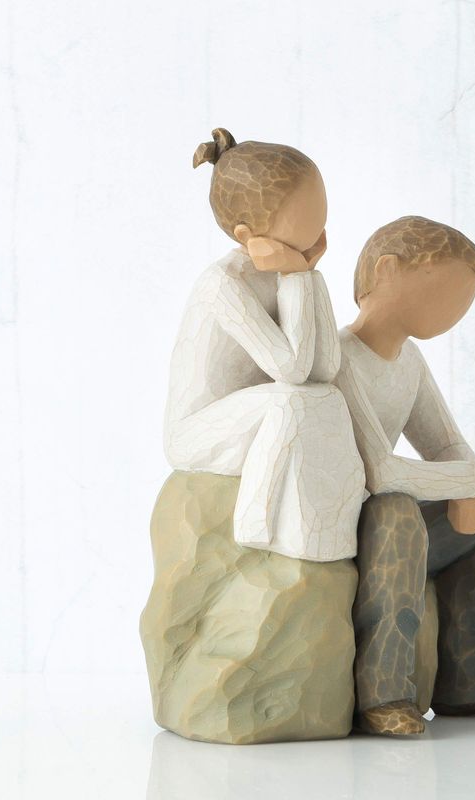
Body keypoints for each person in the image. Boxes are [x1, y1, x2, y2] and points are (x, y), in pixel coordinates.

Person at [334, 216, 475, 736]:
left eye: (464, 300)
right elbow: (377, 471)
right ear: (387, 271)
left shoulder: (409, 361)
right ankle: (384, 694)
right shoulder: (338, 358)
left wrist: (474, 493)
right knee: (397, 513)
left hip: (383, 510)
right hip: (346, 521)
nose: (456, 312)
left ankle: (473, 680)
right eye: (445, 294)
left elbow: (445, 444)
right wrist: (467, 481)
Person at [163, 128, 364, 562]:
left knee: (328, 398)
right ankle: (255, 523)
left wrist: (308, 276)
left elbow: (325, 367)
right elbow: (291, 370)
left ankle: (330, 537)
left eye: (320, 207)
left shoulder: (289, 271)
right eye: (306, 214)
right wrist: (295, 274)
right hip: (200, 431)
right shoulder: (223, 284)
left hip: (261, 410)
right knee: (291, 402)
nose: (320, 224)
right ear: (246, 233)